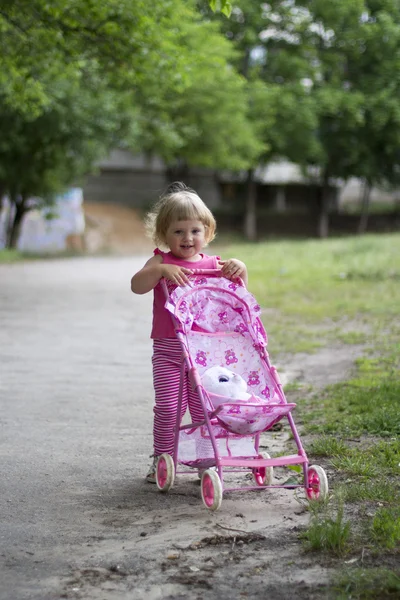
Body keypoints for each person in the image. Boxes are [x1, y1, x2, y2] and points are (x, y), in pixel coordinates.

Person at [130, 182, 248, 482]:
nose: (187, 238)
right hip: (169, 351)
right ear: (164, 235)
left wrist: (240, 267)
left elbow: (239, 290)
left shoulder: (213, 264)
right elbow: (137, 285)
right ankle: (162, 458)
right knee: (169, 408)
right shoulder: (161, 260)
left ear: (207, 232)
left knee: (205, 410)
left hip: (204, 355)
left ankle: (207, 462)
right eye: (178, 231)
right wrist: (159, 271)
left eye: (195, 231)